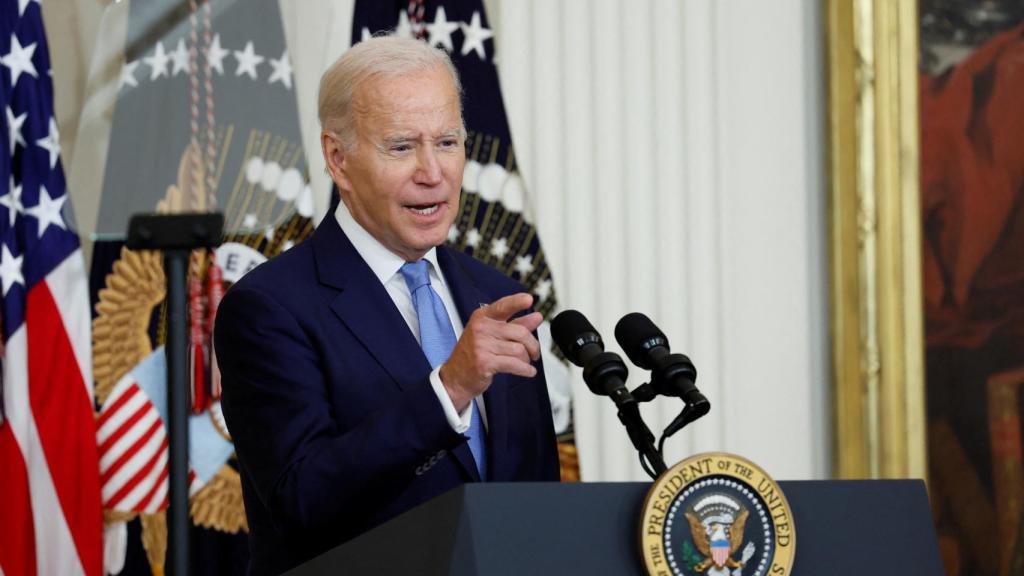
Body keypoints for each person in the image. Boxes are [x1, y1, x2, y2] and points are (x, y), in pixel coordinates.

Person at [214, 36, 560, 575]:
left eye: (447, 142)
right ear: (339, 158)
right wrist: (449, 390)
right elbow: (302, 501)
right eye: (402, 147)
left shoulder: (499, 298)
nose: (433, 172)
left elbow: (535, 500)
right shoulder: (268, 308)